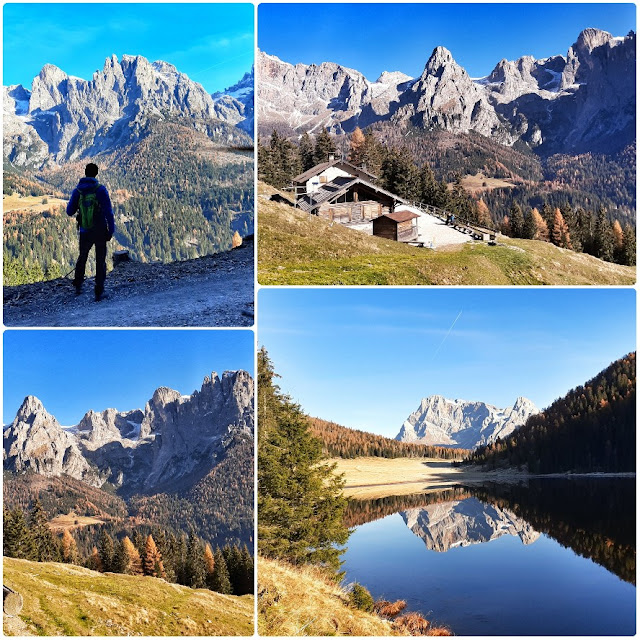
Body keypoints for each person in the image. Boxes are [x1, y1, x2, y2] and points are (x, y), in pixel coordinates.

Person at [66, 163, 115, 301]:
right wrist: (110, 230)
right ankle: (99, 291)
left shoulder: (78, 191)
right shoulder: (100, 190)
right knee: (100, 260)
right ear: (96, 174)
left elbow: (69, 211)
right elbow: (108, 212)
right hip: (100, 230)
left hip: (84, 231)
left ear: (85, 173)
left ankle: (78, 286)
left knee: (82, 257)